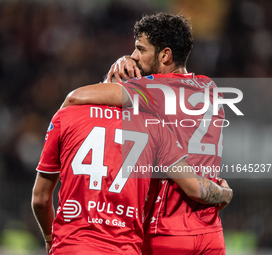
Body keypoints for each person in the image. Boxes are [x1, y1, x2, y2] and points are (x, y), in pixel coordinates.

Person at [62, 13, 229, 254]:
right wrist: (224, 192)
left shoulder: (152, 90)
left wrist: (115, 75)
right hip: (210, 233)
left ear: (165, 55)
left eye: (140, 49)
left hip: (164, 232)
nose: (134, 56)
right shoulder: (211, 89)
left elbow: (75, 98)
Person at [31, 104, 232, 255]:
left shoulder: (66, 115)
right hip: (124, 248)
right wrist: (224, 192)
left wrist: (50, 240)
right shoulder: (154, 127)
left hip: (71, 246)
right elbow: (195, 188)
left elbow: (40, 200)